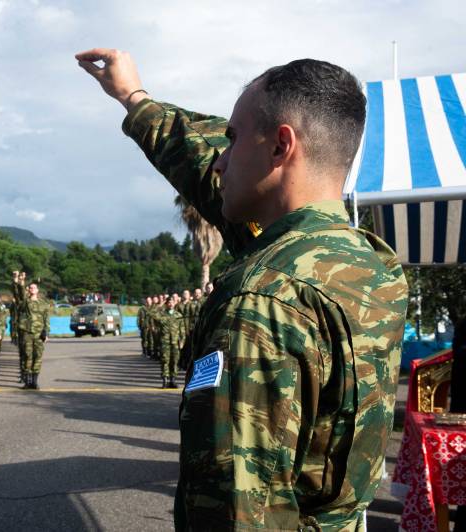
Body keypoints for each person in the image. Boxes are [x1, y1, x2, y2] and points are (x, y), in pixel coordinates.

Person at [77, 49, 408, 530]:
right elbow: (208, 165)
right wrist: (133, 98)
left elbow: (239, 512)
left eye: (232, 139)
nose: (221, 161)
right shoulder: (370, 263)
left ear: (280, 148)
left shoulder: (262, 298)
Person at [15, 272, 49, 390]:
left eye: (34, 287)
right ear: (28, 290)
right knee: (27, 356)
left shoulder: (44, 304)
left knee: (38, 356)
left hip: (39, 333)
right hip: (27, 333)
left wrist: (47, 332)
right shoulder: (25, 302)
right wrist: (21, 281)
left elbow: (46, 319)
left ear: (38, 290)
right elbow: (20, 292)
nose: (32, 289)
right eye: (30, 287)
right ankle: (27, 381)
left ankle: (35, 381)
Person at [154, 294, 185, 389]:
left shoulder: (178, 315)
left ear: (175, 303)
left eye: (172, 302)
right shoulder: (161, 314)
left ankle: (173, 380)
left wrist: (182, 340)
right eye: (168, 302)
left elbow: (182, 329)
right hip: (165, 342)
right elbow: (152, 314)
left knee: (175, 361)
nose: (170, 304)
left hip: (175, 342)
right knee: (165, 361)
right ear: (166, 304)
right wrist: (161, 304)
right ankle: (165, 380)